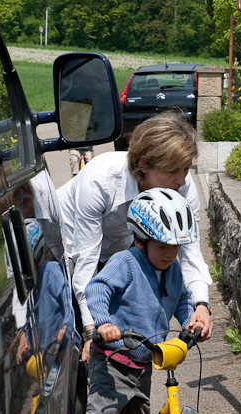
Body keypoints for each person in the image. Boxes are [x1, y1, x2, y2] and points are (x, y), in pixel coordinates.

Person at [56, 111, 213, 362]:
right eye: (173, 170)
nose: (182, 180)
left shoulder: (183, 186)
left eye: (186, 169)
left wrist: (201, 305)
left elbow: (190, 251)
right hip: (69, 240)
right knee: (78, 336)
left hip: (119, 246)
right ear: (142, 164)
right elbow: (85, 262)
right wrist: (89, 331)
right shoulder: (101, 180)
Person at [84, 188, 197, 414]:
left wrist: (192, 321)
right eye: (162, 246)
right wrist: (104, 322)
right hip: (112, 361)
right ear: (141, 240)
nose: (169, 253)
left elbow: (182, 300)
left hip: (143, 364)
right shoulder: (126, 262)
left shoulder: (171, 270)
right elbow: (98, 287)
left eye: (175, 247)